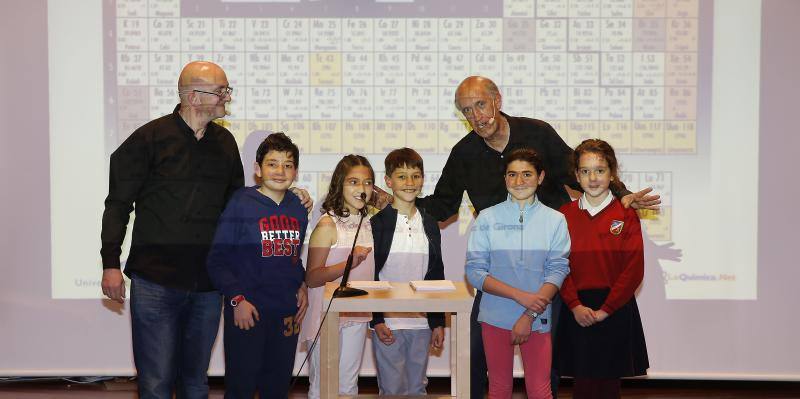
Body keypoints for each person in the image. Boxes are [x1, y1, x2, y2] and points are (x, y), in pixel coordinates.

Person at [373, 75, 660, 398]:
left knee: (546, 366)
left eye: (481, 104)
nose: (477, 116)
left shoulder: (537, 132)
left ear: (498, 100)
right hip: (498, 271)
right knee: (476, 354)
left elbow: (579, 173)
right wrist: (398, 201)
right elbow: (442, 205)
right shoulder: (464, 153)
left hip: (548, 271)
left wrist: (622, 195)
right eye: (467, 110)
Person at [99, 61, 311, 398]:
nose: (227, 96)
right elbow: (118, 204)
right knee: (155, 380)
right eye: (221, 90)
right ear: (195, 96)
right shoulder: (147, 139)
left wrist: (290, 196)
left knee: (196, 380)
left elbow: (242, 213)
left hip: (209, 287)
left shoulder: (225, 142)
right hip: (156, 282)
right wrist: (110, 263)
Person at [206, 133, 309, 398]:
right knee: (241, 386)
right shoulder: (241, 203)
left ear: (295, 171)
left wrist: (303, 284)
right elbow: (217, 259)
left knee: (277, 388)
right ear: (257, 169)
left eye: (287, 165)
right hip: (247, 311)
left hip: (286, 313)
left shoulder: (298, 207)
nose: (280, 171)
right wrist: (236, 299)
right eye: (272, 163)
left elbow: (293, 258)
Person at [465, 148, 570, 399]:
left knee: (539, 391)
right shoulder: (487, 218)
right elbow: (475, 272)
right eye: (512, 175)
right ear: (505, 179)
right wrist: (521, 296)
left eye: (527, 174)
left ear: (541, 177)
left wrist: (530, 312)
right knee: (499, 389)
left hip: (537, 317)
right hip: (494, 316)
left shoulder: (555, 220)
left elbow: (558, 269)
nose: (519, 181)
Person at [556, 139, 649, 398]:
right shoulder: (564, 215)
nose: (593, 178)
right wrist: (575, 305)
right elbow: (558, 265)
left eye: (600, 170)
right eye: (585, 171)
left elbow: (633, 268)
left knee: (608, 387)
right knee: (583, 385)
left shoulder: (626, 213)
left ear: (612, 174)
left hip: (615, 307)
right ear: (576, 175)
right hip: (577, 308)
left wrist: (607, 309)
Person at [369, 148, 446, 395]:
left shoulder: (430, 222)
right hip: (389, 323)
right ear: (388, 182)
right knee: (392, 389)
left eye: (415, 176)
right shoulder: (377, 224)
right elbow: (371, 275)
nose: (409, 182)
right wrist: (377, 319)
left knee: (417, 388)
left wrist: (436, 322)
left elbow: (436, 273)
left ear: (423, 180)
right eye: (402, 176)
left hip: (421, 323)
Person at [302, 155, 377, 399]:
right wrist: (348, 263)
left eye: (367, 183)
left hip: (357, 313)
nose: (361, 189)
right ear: (339, 184)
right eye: (353, 182)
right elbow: (312, 277)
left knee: (347, 387)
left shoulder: (368, 222)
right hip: (328, 315)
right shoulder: (327, 224)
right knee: (323, 386)